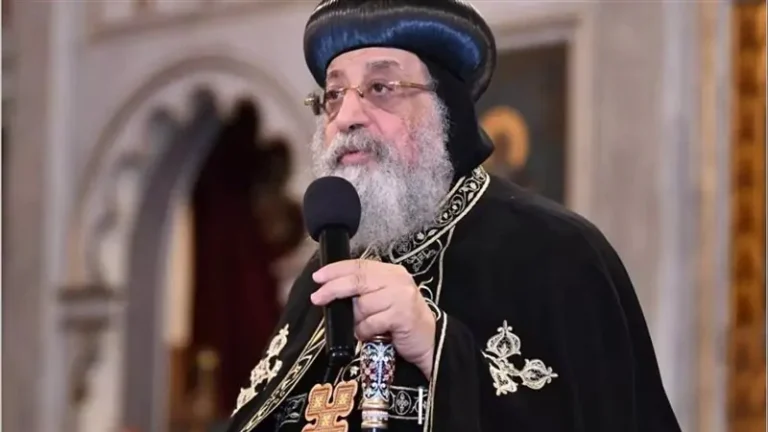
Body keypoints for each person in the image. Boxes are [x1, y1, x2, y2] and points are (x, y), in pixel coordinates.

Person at [226, 1, 682, 431]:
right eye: (333, 94)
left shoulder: (557, 253)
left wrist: (439, 348)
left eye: (380, 88)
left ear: (447, 110)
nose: (345, 116)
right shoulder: (324, 274)